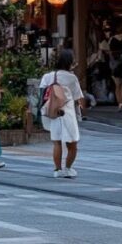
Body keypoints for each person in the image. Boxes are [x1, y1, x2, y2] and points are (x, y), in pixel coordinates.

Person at [38, 48, 84, 178]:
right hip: (67, 113)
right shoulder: (71, 78)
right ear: (70, 62)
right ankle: (68, 168)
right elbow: (77, 98)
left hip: (52, 112)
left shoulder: (47, 76)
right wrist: (80, 114)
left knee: (57, 142)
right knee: (72, 143)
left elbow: (41, 94)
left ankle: (57, 170)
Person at [108, 31, 122, 113]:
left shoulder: (112, 40)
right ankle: (121, 102)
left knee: (119, 84)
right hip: (120, 63)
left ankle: (120, 102)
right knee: (121, 84)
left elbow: (110, 51)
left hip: (116, 63)